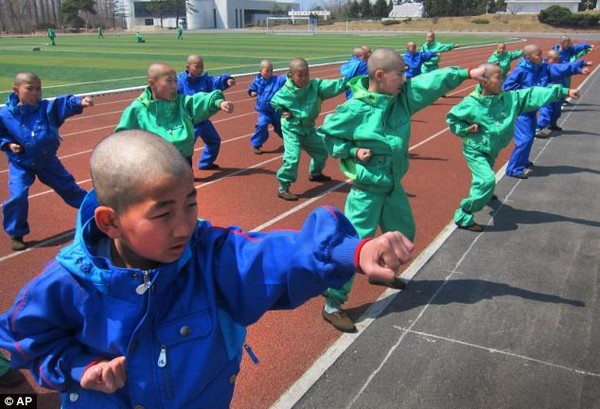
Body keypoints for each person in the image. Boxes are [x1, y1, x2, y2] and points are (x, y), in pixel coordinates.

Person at [0, 130, 414, 408]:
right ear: (110, 222)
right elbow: (30, 342)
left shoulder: (207, 255)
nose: (185, 225)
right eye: (163, 214)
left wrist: (352, 251)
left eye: (191, 203)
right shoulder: (64, 285)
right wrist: (79, 368)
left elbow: (274, 254)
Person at [317, 48, 485, 332]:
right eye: (400, 74)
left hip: (393, 188)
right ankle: (332, 304)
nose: (406, 79)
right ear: (380, 76)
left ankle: (381, 273)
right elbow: (327, 134)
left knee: (404, 235)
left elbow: (430, 83)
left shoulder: (402, 100)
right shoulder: (355, 109)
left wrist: (466, 74)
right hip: (366, 191)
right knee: (353, 244)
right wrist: (352, 150)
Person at [447, 64, 579, 232]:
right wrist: (466, 129)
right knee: (487, 179)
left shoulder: (509, 99)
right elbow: (453, 120)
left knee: (484, 178)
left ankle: (485, 194)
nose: (502, 80)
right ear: (484, 81)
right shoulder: (470, 104)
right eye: (498, 77)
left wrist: (563, 91)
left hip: (493, 148)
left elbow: (532, 94)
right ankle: (464, 215)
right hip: (476, 150)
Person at [0, 72, 92, 251]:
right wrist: (9, 144)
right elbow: (1, 134)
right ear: (16, 90)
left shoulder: (46, 109)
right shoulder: (5, 114)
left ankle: (94, 212)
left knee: (69, 187)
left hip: (47, 160)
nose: (35, 93)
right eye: (30, 89)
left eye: (38, 89)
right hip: (21, 163)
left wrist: (79, 102)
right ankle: (17, 233)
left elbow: (63, 104)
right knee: (18, 196)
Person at [115, 63, 234, 166]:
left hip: (183, 162)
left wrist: (218, 102)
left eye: (175, 81)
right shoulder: (138, 110)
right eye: (168, 81)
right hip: (154, 166)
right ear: (152, 83)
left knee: (184, 191)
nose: (174, 86)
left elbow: (197, 101)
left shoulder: (181, 103)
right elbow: (122, 140)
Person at [502, 44, 588, 179]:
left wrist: (578, 67)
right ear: (528, 57)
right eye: (538, 55)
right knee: (525, 139)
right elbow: (507, 87)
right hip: (521, 110)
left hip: (531, 109)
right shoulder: (520, 71)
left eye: (541, 54)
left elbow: (558, 68)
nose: (541, 57)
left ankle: (523, 161)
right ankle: (513, 169)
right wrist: (527, 92)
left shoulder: (542, 67)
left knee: (529, 136)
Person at [270, 57, 348, 201]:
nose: (305, 78)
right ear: (291, 76)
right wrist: (282, 110)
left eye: (307, 74)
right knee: (292, 158)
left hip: (309, 128)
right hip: (292, 128)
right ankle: (283, 187)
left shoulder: (316, 86)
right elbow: (274, 102)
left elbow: (335, 86)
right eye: (300, 75)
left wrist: (349, 81)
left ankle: (315, 173)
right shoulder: (285, 92)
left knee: (322, 150)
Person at [177, 55, 236, 170]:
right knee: (186, 148)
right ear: (188, 67)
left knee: (214, 140)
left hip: (203, 120)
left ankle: (206, 163)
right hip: (188, 122)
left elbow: (216, 81)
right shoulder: (179, 82)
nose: (200, 69)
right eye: (197, 66)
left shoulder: (205, 80)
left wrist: (227, 80)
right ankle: (186, 173)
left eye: (202, 66)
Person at [535, 49, 591, 137]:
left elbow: (565, 67)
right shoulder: (547, 67)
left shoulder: (556, 65)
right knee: (547, 111)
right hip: (547, 94)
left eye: (557, 58)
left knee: (557, 111)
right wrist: (580, 67)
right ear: (549, 59)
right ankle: (538, 128)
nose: (557, 60)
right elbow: (566, 68)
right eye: (555, 59)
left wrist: (580, 69)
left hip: (558, 93)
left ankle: (552, 124)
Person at [247, 60, 286, 154]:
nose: (269, 73)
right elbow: (251, 89)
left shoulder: (277, 80)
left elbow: (285, 77)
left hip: (276, 110)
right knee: (262, 124)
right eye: (267, 70)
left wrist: (293, 73)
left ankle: (290, 141)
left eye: (271, 70)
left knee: (281, 127)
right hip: (263, 110)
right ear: (260, 71)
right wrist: (252, 93)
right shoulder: (257, 82)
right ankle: (257, 144)